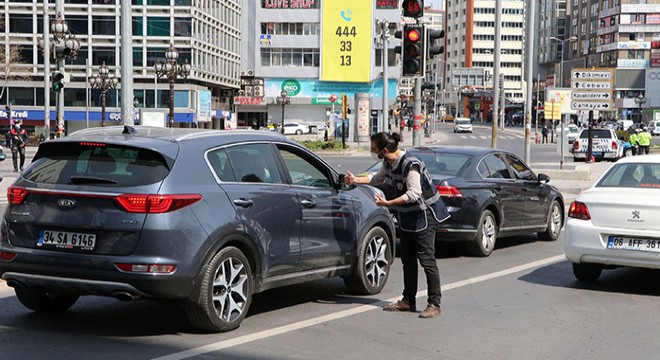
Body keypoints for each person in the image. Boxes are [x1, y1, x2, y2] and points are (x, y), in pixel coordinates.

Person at [344, 132, 450, 319]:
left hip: (424, 215)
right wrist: (356, 180)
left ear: (384, 150)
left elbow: (414, 194)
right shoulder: (388, 163)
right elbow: (378, 178)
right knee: (407, 260)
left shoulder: (410, 164)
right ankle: (408, 300)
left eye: (374, 149)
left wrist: (388, 203)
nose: (371, 151)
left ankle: (435, 303)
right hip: (407, 217)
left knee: (427, 260)